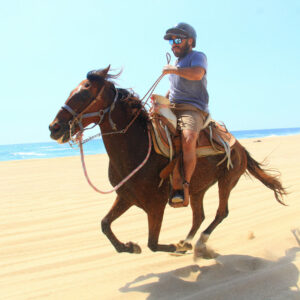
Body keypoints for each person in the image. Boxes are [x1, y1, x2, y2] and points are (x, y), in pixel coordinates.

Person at [162, 22, 209, 206]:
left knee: (188, 139)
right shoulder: (176, 63)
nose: (174, 43)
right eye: (171, 41)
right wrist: (162, 100)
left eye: (178, 39)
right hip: (173, 106)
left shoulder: (198, 57)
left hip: (192, 108)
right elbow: (173, 89)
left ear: (190, 41)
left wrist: (172, 70)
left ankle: (184, 186)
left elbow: (197, 74)